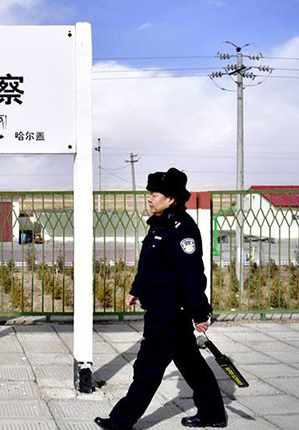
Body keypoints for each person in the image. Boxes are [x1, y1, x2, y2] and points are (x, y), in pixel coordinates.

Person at [94, 168, 226, 430]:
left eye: (155, 194)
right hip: (159, 307)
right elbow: (149, 265)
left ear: (171, 199)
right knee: (190, 363)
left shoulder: (183, 229)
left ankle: (121, 421)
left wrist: (200, 313)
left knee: (148, 366)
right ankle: (212, 413)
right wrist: (136, 289)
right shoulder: (159, 224)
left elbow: (192, 275)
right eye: (151, 194)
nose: (150, 198)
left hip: (170, 312)